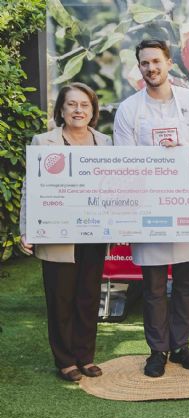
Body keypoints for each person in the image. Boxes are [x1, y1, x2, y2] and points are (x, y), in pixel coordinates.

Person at [113, 39, 189, 377]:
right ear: (139, 67)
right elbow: (124, 160)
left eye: (156, 61)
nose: (151, 68)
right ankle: (157, 350)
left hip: (187, 204)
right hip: (150, 209)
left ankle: (181, 346)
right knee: (154, 287)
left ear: (169, 63)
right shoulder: (129, 109)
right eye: (144, 63)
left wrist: (183, 151)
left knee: (187, 284)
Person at [19, 82, 112, 381]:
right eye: (72, 104)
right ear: (61, 109)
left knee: (87, 297)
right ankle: (65, 361)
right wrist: (27, 228)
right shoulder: (43, 142)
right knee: (60, 298)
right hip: (58, 235)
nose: (78, 110)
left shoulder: (106, 143)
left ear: (93, 110)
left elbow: (115, 185)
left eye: (84, 105)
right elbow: (29, 187)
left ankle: (85, 356)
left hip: (95, 234)